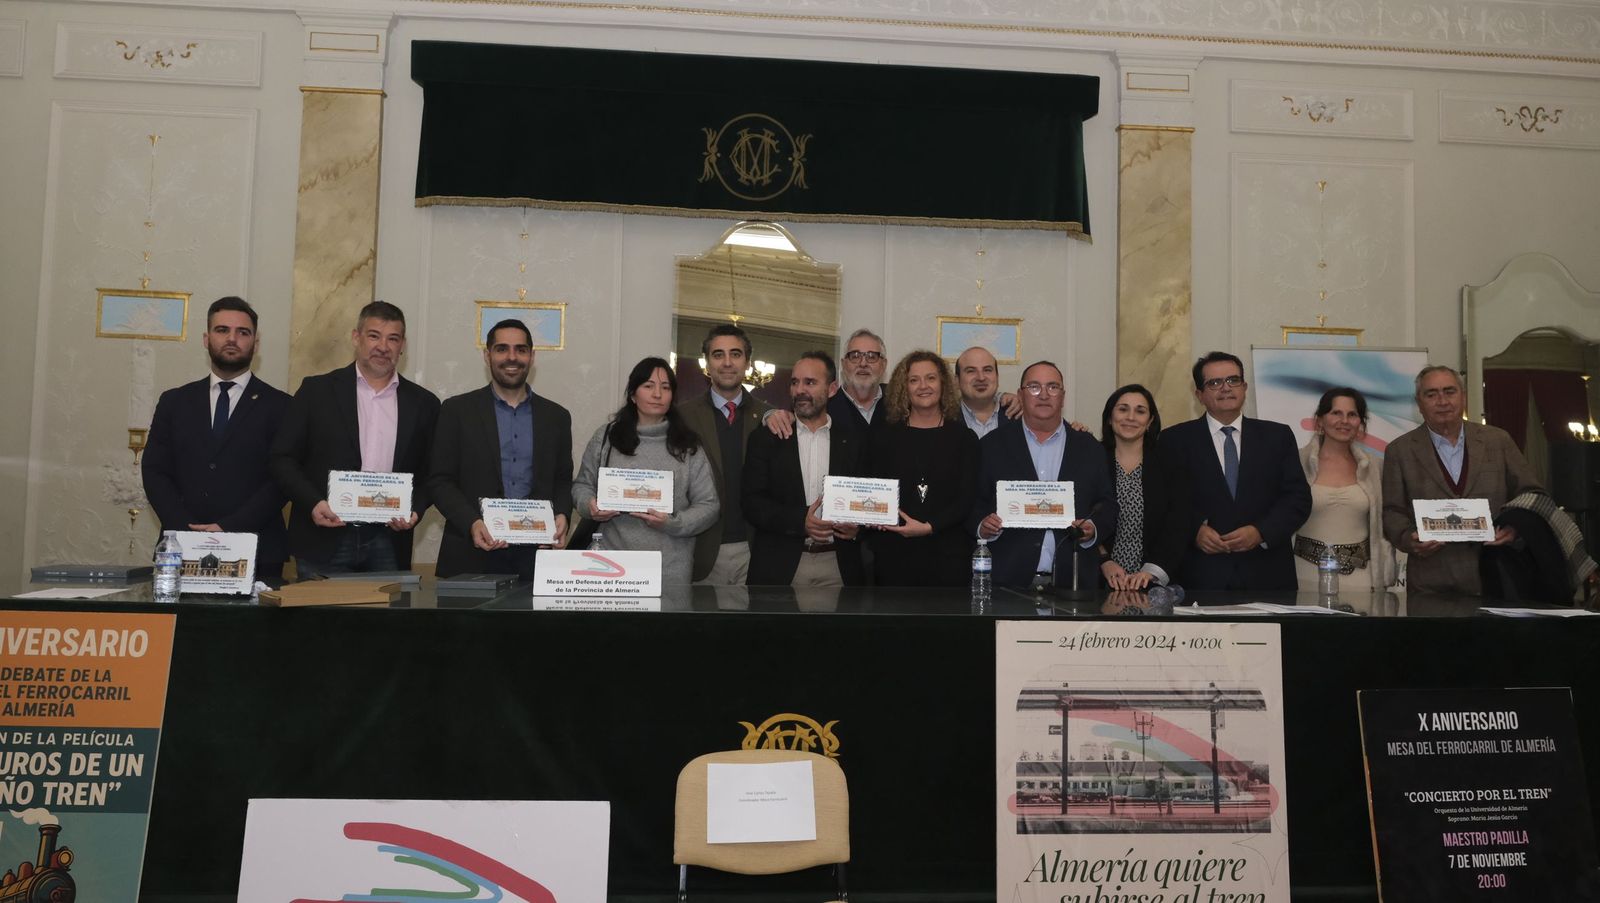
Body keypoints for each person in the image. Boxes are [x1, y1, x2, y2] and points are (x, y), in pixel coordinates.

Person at [269, 301, 440, 578]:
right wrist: (313, 503)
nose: (383, 346)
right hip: (324, 536)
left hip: (389, 541)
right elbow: (282, 459)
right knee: (319, 621)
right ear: (356, 337)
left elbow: (434, 472)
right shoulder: (316, 392)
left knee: (386, 621)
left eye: (392, 339)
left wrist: (415, 511)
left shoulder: (424, 404)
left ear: (402, 346)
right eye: (374, 336)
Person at [142, 296, 291, 584]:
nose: (232, 339)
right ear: (206, 338)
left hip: (258, 550)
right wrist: (187, 529)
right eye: (222, 330)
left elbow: (281, 480)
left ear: (255, 343)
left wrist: (227, 528)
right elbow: (155, 471)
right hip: (181, 548)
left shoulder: (283, 406)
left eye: (243, 332)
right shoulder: (174, 402)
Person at [427, 319, 572, 579]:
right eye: (502, 349)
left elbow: (562, 480)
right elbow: (440, 480)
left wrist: (562, 514)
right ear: (487, 355)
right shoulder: (457, 411)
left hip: (537, 558)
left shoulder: (557, 417)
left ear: (532, 356)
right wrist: (472, 523)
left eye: (521, 349)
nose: (512, 357)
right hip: (471, 554)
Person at [1381, 365, 1541, 595]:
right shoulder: (1399, 450)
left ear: (1463, 397)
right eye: (1431, 394)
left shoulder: (1498, 440)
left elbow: (1531, 493)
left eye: (1449, 391)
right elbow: (1392, 510)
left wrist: (1515, 527)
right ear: (1419, 403)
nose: (1442, 401)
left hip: (1497, 574)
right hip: (1431, 582)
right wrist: (1409, 539)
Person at [1160, 351, 1310, 592]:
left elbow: (1298, 499)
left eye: (1233, 380)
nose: (1226, 388)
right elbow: (1164, 503)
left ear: (1245, 387)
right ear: (1199, 394)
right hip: (1200, 577)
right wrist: (1194, 530)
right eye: (1215, 383)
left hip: (1267, 575)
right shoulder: (1174, 440)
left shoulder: (1277, 437)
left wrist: (1260, 532)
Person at [571, 357, 719, 586]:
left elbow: (709, 505)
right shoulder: (607, 437)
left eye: (665, 387)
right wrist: (589, 505)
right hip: (610, 565)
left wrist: (673, 523)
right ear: (632, 395)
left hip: (670, 569)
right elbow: (581, 485)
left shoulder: (688, 445)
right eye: (648, 386)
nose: (657, 394)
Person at [970, 361, 1116, 590]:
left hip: (1073, 585)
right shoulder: (991, 446)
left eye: (1053, 387)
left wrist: (1092, 529)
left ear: (1063, 396)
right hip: (1008, 584)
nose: (1044, 395)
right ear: (1020, 394)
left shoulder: (1089, 447)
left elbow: (1107, 505)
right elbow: (972, 502)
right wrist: (983, 525)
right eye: (1034, 387)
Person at [742, 352, 868, 586]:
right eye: (794, 382)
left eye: (810, 382)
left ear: (831, 389)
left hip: (838, 566)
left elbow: (866, 502)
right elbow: (752, 503)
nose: (800, 390)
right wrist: (800, 521)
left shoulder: (854, 441)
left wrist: (857, 529)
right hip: (780, 565)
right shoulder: (766, 438)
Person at [867, 351, 980, 586]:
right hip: (894, 558)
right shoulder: (884, 438)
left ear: (943, 384)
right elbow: (873, 491)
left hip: (949, 559)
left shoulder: (965, 439)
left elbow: (967, 498)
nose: (923, 386)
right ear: (903, 387)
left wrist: (930, 527)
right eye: (913, 380)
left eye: (930, 378)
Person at [678, 323, 771, 585]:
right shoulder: (682, 417)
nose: (727, 362)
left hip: (755, 550)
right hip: (700, 551)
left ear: (748, 363)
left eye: (736, 354)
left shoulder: (771, 417)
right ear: (706, 363)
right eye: (718, 355)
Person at [1295, 387, 1396, 592]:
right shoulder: (1296, 462)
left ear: (1360, 422)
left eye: (1352, 415)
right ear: (1320, 421)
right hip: (1303, 576)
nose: (1344, 421)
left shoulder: (1376, 468)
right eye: (1336, 413)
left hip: (1361, 578)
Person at [1095, 384, 1189, 591]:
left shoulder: (1170, 462)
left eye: (1140, 411)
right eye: (1122, 409)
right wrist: (1104, 561)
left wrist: (1152, 571)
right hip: (1097, 581)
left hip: (1154, 584)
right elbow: (1080, 516)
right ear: (1110, 418)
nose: (1131, 417)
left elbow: (1178, 524)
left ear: (1150, 421)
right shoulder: (1092, 459)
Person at [955, 346, 1021, 439]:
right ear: (957, 381)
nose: (981, 378)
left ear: (997, 378)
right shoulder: (943, 418)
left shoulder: (1018, 415)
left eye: (987, 370)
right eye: (971, 371)